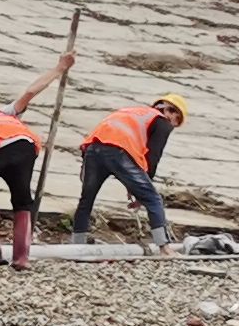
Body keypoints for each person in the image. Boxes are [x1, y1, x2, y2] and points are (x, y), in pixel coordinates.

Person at [0, 48, 75, 268]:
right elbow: (30, 92)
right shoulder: (5, 113)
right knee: (22, 201)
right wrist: (60, 68)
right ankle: (22, 258)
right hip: (26, 146)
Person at [70, 92, 190, 245]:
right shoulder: (162, 122)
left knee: (86, 199)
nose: (173, 123)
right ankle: (164, 247)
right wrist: (142, 190)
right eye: (176, 118)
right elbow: (153, 157)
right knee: (153, 199)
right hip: (118, 152)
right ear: (168, 110)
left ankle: (77, 243)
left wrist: (132, 185)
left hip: (94, 149)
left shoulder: (135, 112)